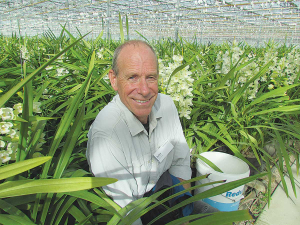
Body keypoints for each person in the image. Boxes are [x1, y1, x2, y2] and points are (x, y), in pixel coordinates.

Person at [86, 40, 217, 224]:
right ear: (114, 79)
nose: (144, 90)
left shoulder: (167, 106)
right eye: (132, 77)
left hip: (165, 190)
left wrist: (183, 214)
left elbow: (180, 162)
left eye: (151, 77)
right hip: (136, 211)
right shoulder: (107, 136)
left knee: (217, 218)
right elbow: (127, 213)